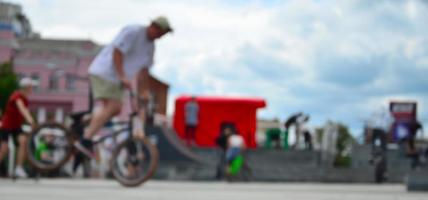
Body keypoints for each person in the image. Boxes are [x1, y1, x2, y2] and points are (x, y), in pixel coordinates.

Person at [74, 16, 173, 157]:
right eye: (160, 32)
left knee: (114, 110)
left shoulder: (150, 47)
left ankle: (85, 120)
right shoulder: (133, 31)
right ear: (153, 26)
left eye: (163, 34)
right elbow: (117, 52)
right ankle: (85, 140)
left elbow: (144, 72)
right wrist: (121, 76)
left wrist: (143, 91)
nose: (161, 36)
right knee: (114, 106)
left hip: (118, 80)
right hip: (105, 72)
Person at [0, 77, 38, 178]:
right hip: (7, 125)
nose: (31, 89)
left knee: (23, 141)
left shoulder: (24, 98)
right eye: (30, 87)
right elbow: (22, 109)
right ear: (26, 87)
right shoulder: (16, 96)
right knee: (4, 149)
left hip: (16, 126)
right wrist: (30, 119)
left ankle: (19, 168)